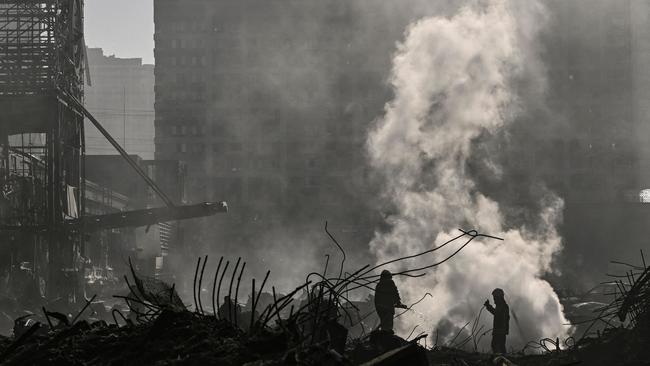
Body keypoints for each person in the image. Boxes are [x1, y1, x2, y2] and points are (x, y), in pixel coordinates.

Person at [484, 288, 510, 354]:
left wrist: (488, 306)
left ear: (498, 297)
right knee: (499, 347)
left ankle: (501, 361)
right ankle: (502, 360)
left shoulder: (502, 306)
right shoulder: (502, 306)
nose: (494, 299)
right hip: (500, 331)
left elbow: (497, 314)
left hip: (499, 331)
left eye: (495, 297)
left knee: (496, 346)